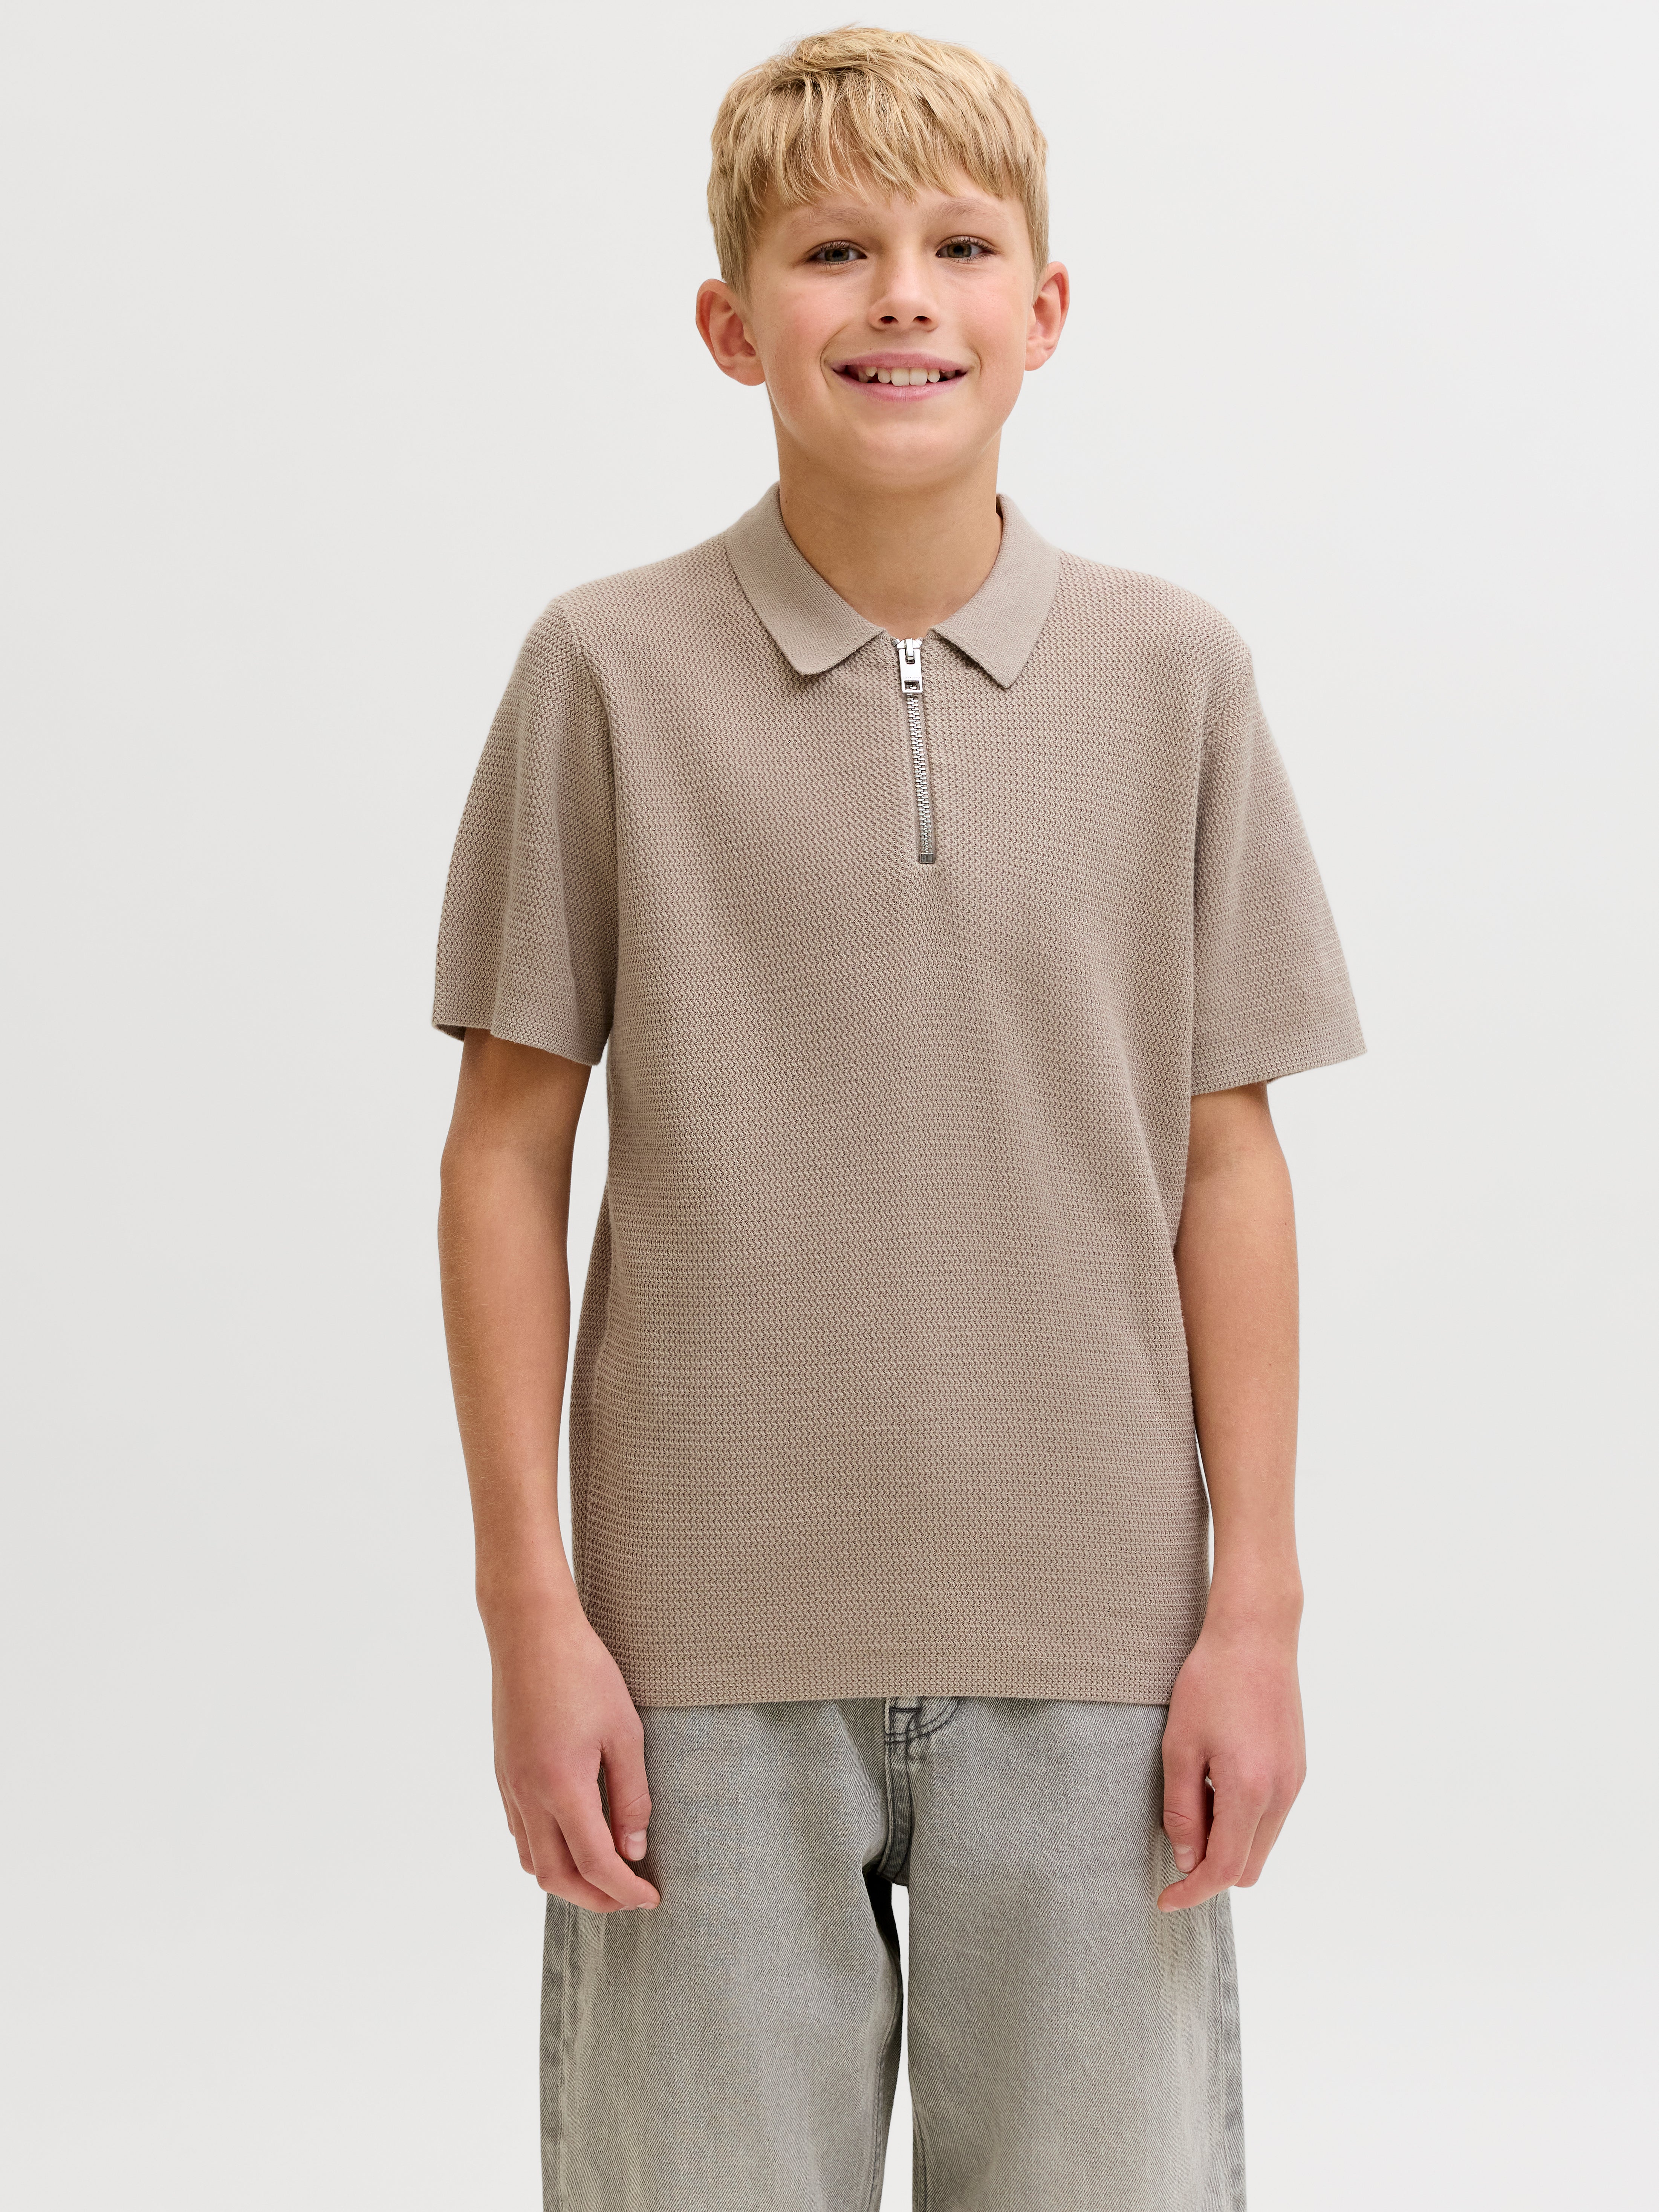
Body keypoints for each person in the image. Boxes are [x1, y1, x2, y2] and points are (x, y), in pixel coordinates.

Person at [433, 26, 1363, 2210]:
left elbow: (1226, 1161)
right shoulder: (604, 672)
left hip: (1095, 1643)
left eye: (958, 245)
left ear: (1045, 309)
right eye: (833, 250)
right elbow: (503, 1153)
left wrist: (1254, 1612)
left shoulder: (1175, 678)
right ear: (730, 321)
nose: (902, 298)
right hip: (695, 1657)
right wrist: (528, 1612)